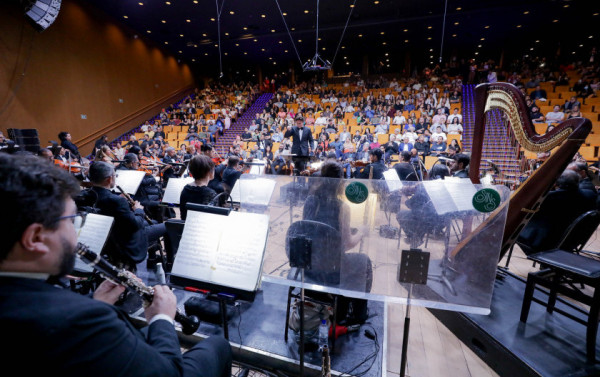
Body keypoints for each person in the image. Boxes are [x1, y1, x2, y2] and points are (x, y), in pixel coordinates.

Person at [0, 153, 232, 377]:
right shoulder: (80, 322)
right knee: (218, 345)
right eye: (71, 220)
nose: (76, 231)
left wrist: (95, 302)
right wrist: (163, 319)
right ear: (35, 238)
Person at [301, 161, 373, 324]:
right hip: (332, 267)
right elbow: (347, 244)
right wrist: (361, 231)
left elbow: (307, 229)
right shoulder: (342, 207)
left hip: (309, 263)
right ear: (340, 182)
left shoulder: (310, 201)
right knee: (364, 262)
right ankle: (358, 314)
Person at [77, 161, 166, 269]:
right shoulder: (117, 201)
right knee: (167, 226)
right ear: (109, 179)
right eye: (115, 175)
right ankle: (167, 262)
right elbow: (135, 225)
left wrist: (118, 197)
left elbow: (105, 202)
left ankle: (152, 258)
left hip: (104, 240)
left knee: (154, 223)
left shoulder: (84, 195)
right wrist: (138, 210)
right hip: (124, 241)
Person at [517, 170, 596, 253]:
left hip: (544, 242)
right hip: (571, 242)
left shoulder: (548, 198)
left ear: (556, 183)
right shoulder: (590, 194)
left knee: (513, 228)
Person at [180, 155, 219, 220]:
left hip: (185, 226)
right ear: (209, 172)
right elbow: (213, 219)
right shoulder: (210, 193)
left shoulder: (185, 188)